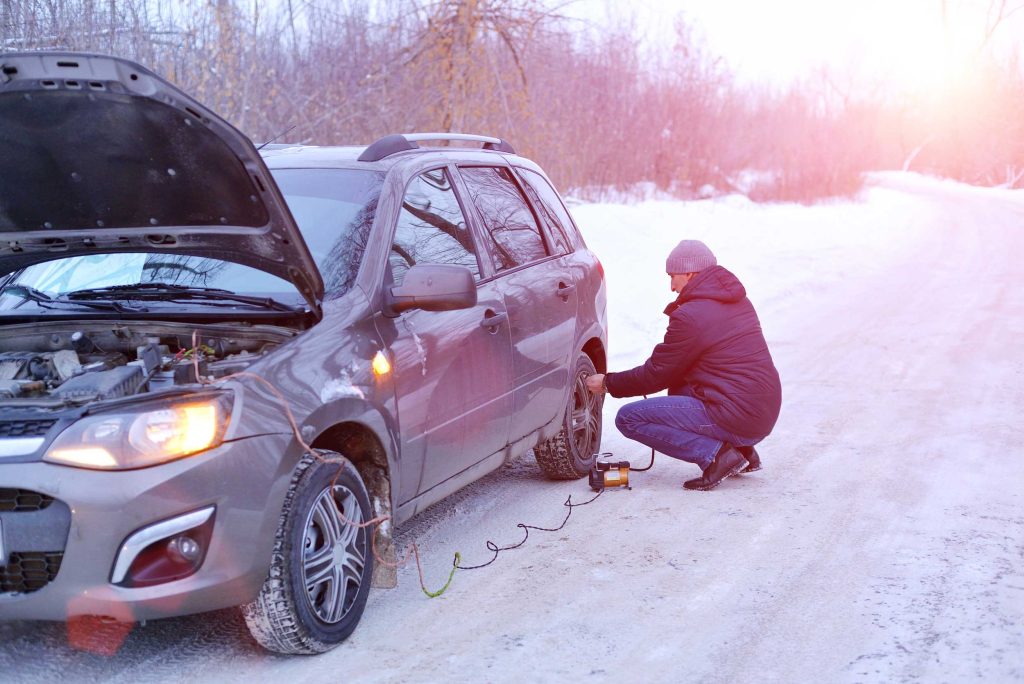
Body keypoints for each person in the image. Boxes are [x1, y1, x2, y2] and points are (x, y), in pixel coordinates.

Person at [585, 239, 781, 491]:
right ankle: (744, 452)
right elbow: (674, 371)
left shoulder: (692, 314)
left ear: (690, 273)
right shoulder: (739, 302)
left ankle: (717, 456)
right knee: (680, 386)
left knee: (628, 418)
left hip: (737, 415)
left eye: (673, 276)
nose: (671, 287)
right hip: (763, 411)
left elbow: (658, 373)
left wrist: (608, 383)